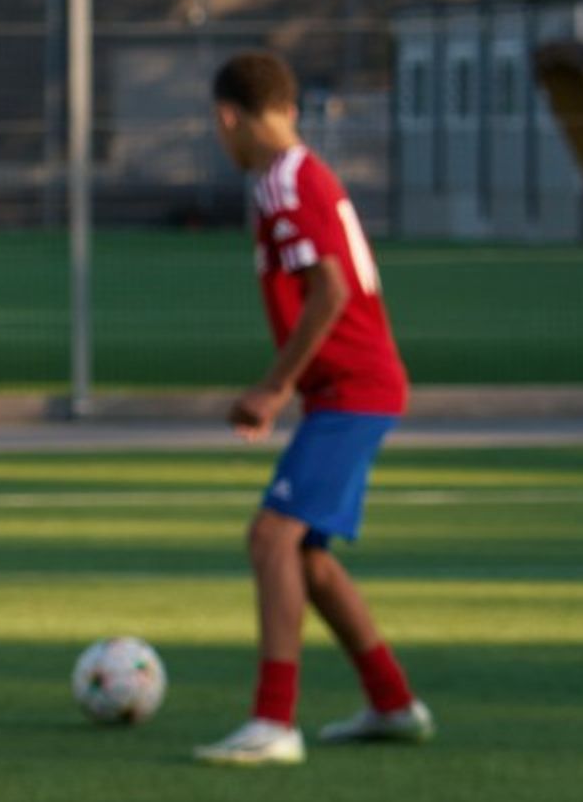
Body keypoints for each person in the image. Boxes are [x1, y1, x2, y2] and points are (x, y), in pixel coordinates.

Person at [193, 52, 435, 767]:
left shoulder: (282, 182)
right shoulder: (297, 175)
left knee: (270, 539)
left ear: (227, 117)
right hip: (352, 390)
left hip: (354, 391)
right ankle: (393, 704)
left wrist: (273, 388)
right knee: (309, 560)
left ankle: (274, 722)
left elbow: (328, 290)